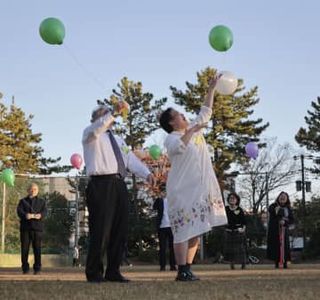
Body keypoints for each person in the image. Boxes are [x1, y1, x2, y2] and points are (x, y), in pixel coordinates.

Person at [159, 75, 227, 281]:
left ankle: (188, 267)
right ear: (172, 122)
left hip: (199, 189)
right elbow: (179, 147)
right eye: (179, 114)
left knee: (197, 229)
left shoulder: (193, 129)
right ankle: (181, 270)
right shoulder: (171, 138)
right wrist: (192, 130)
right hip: (181, 190)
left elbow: (206, 111)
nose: (183, 115)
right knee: (182, 230)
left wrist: (212, 89)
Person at [82, 102, 154, 283]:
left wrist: (147, 174)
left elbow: (130, 160)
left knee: (119, 230)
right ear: (95, 118)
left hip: (119, 184)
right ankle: (94, 272)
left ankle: (113, 271)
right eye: (104, 113)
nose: (108, 116)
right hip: (100, 184)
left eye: (109, 113)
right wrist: (113, 111)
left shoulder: (119, 140)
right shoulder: (90, 134)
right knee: (101, 229)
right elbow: (99, 127)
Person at [16, 183, 47, 275]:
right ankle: (25, 268)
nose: (33, 191)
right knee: (24, 249)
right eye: (31, 189)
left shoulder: (42, 201)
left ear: (38, 191)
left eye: (35, 189)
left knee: (37, 249)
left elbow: (45, 212)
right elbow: (19, 211)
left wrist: (40, 215)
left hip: (37, 229)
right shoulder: (22, 201)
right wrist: (25, 215)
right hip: (25, 229)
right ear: (28, 190)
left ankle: (37, 268)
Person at [267, 191, 294, 269]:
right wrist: (279, 219)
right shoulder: (273, 206)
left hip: (284, 230)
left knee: (284, 246)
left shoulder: (288, 208)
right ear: (278, 197)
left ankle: (285, 262)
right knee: (276, 246)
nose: (282, 198)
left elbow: (291, 219)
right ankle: (276, 263)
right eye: (281, 196)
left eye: (284, 197)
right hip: (275, 230)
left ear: (287, 199)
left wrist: (285, 222)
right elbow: (273, 212)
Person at [153, 187, 176, 272]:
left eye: (165, 191)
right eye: (163, 191)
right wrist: (158, 198)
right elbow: (154, 207)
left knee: (172, 247)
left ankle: (173, 266)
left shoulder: (172, 200)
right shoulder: (159, 200)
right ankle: (162, 267)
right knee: (162, 248)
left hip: (171, 226)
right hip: (162, 226)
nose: (164, 193)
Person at [224, 192, 247, 270]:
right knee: (230, 249)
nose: (232, 200)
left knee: (240, 248)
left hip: (238, 231)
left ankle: (243, 263)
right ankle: (232, 264)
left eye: (234, 198)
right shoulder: (226, 209)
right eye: (230, 198)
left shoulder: (240, 210)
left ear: (237, 200)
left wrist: (243, 229)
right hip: (229, 231)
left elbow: (244, 222)